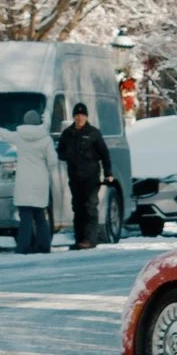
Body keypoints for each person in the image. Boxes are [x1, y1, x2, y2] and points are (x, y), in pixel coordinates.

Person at [0, 109, 58, 254]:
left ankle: (23, 247)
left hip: (24, 182)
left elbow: (5, 134)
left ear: (25, 121)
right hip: (40, 182)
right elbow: (53, 161)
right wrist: (47, 171)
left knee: (25, 217)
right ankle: (44, 246)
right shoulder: (46, 139)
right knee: (40, 216)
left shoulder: (19, 137)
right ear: (38, 121)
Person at [58, 101, 111, 249]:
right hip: (74, 177)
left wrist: (108, 173)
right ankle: (79, 239)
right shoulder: (67, 133)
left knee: (90, 207)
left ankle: (89, 239)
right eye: (77, 115)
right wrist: (67, 155)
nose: (80, 118)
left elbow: (104, 154)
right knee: (78, 207)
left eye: (82, 115)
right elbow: (60, 152)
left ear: (86, 117)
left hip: (91, 177)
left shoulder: (93, 133)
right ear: (73, 116)